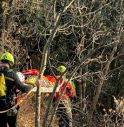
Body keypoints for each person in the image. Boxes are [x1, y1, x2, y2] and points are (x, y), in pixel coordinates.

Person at [0, 52, 32, 127]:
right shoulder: (12, 74)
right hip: (9, 106)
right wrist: (32, 85)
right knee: (13, 125)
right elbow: (23, 88)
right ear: (11, 63)